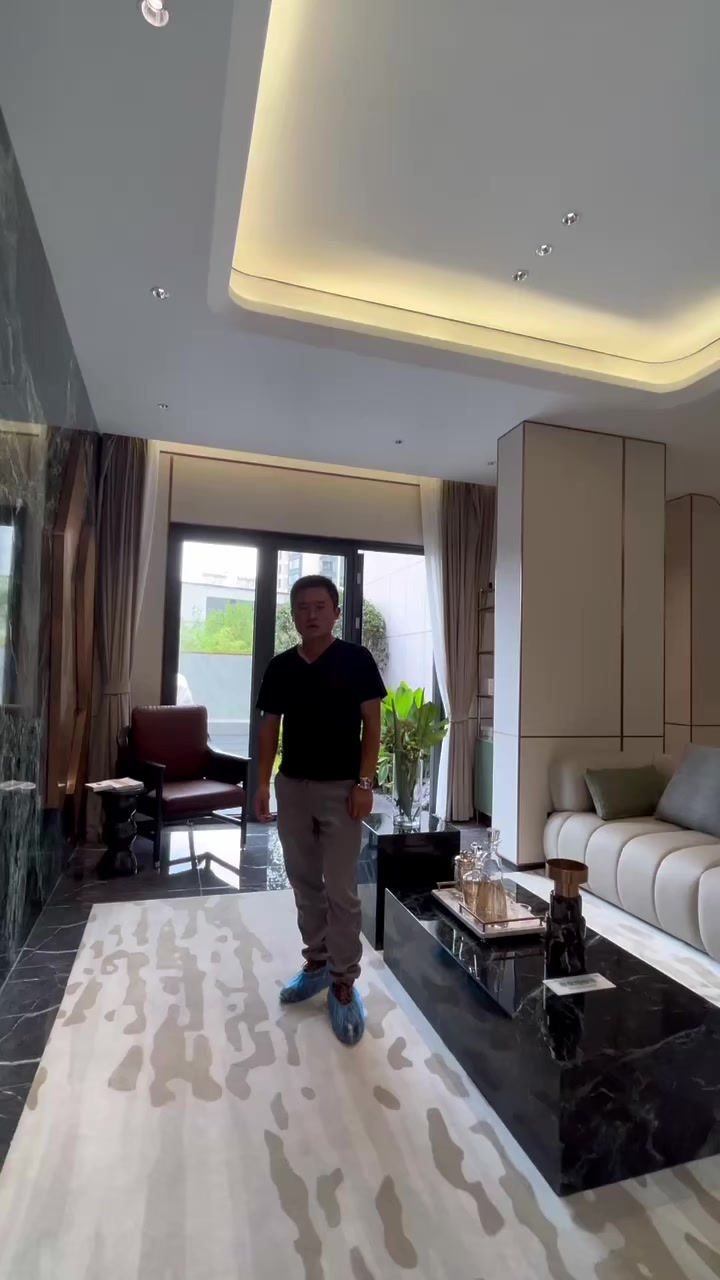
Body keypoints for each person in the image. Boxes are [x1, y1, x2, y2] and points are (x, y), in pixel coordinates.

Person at [254, 575, 386, 1045]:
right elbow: (270, 729)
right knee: (304, 880)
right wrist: (263, 783)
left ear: (335, 612)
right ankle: (317, 962)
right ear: (294, 615)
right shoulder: (281, 667)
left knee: (341, 888)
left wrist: (365, 784)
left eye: (320, 606)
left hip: (342, 790)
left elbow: (373, 725)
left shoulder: (356, 660)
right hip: (292, 787)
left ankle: (344, 981)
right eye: (302, 607)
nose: (311, 614)